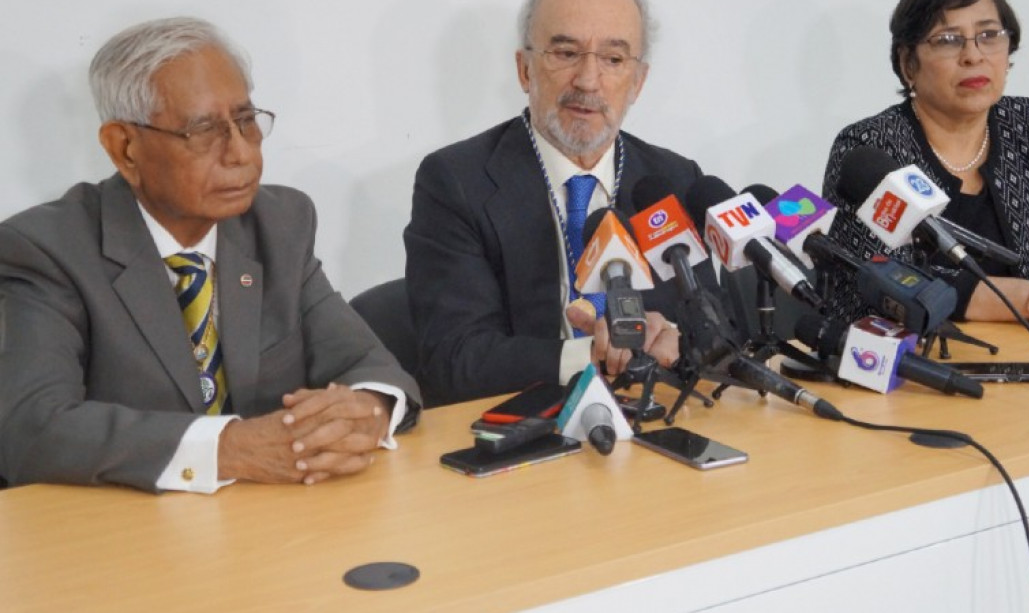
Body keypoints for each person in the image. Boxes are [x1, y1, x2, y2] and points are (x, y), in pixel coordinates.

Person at [0, 17, 421, 493]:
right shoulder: (46, 249)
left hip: (274, 526)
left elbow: (371, 366)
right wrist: (229, 448)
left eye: (246, 122)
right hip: (126, 539)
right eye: (203, 131)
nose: (241, 153)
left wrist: (367, 410)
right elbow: (32, 429)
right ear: (125, 149)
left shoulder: (280, 223)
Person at [405, 0, 714, 407]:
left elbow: (714, 331)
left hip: (655, 417)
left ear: (637, 82)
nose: (588, 81)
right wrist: (590, 356)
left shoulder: (674, 181)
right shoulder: (456, 181)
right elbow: (454, 360)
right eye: (566, 53)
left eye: (613, 58)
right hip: (528, 427)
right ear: (525, 69)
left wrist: (680, 341)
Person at [822, 0, 1029, 332]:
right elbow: (884, 281)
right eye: (948, 39)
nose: (973, 56)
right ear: (909, 64)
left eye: (989, 35)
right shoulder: (869, 147)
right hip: (909, 365)